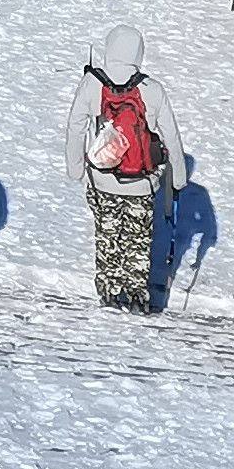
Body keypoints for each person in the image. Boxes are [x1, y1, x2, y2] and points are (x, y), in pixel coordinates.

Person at [70, 22, 186, 311]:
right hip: (142, 184)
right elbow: (171, 136)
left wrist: (76, 168)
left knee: (107, 234)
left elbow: (75, 126)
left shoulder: (92, 84)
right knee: (138, 241)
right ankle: (136, 296)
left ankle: (109, 291)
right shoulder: (152, 90)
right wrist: (178, 179)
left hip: (100, 179)